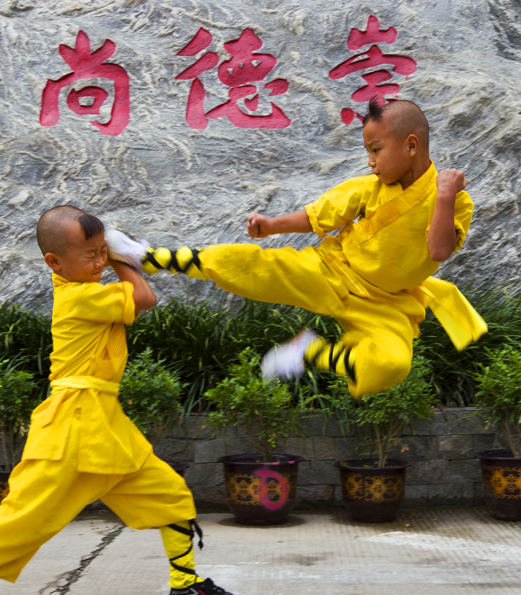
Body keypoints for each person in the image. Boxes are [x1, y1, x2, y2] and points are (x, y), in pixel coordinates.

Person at [0, 206, 236, 595]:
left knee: (168, 493)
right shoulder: (77, 297)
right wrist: (124, 257)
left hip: (104, 422)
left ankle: (185, 584)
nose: (100, 262)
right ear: (55, 262)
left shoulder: (86, 289)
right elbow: (145, 298)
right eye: (91, 255)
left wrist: (113, 253)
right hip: (70, 426)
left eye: (103, 251)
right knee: (21, 518)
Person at [113, 98, 486, 398]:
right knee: (249, 266)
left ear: (411, 145)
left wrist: (445, 195)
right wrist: (272, 226)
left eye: (376, 150)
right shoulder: (368, 188)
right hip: (331, 271)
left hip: (387, 303)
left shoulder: (456, 202)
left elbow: (438, 251)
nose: (370, 162)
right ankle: (147, 256)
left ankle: (312, 352)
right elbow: (318, 216)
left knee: (391, 366)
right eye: (368, 152)